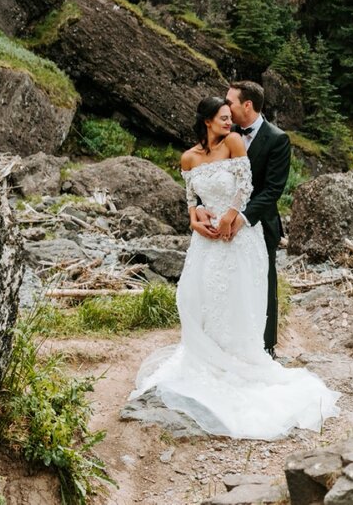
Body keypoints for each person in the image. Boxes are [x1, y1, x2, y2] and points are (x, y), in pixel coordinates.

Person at [128, 96, 339, 440]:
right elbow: (192, 206)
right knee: (200, 298)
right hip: (205, 243)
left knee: (236, 300)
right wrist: (197, 224)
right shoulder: (188, 157)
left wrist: (229, 216)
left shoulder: (235, 143)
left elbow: (246, 187)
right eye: (223, 118)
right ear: (207, 121)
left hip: (238, 238)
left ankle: (240, 360)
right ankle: (206, 360)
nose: (230, 123)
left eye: (231, 117)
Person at [195, 81, 289, 357]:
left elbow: (273, 190)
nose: (226, 106)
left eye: (230, 101)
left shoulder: (277, 139)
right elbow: (206, 172)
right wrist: (200, 206)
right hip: (220, 221)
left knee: (262, 283)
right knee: (222, 282)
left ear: (247, 105)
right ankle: (220, 345)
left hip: (258, 223)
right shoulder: (225, 132)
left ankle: (265, 348)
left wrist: (241, 217)